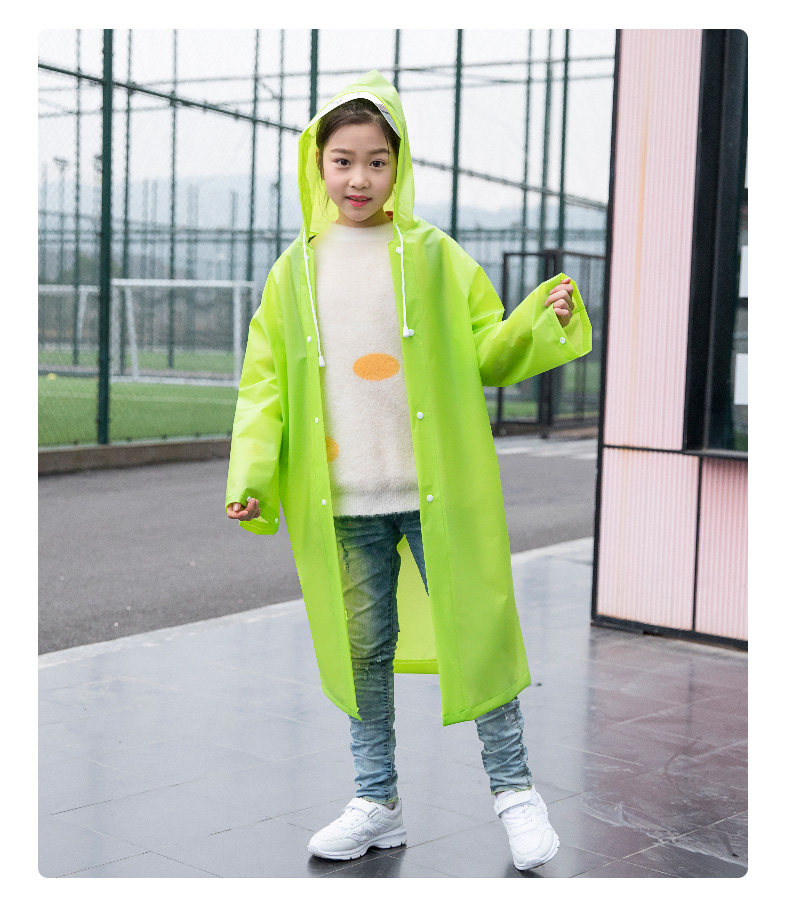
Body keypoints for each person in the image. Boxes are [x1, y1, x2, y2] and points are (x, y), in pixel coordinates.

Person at [225, 70, 592, 873]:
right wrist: (249, 476)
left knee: (480, 633)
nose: (359, 179)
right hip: (343, 506)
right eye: (343, 161)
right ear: (317, 164)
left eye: (377, 161)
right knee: (363, 654)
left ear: (400, 166)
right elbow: (264, 384)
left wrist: (538, 318)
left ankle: (515, 792)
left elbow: (487, 349)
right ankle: (377, 801)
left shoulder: (432, 257)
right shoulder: (293, 273)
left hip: (436, 497)